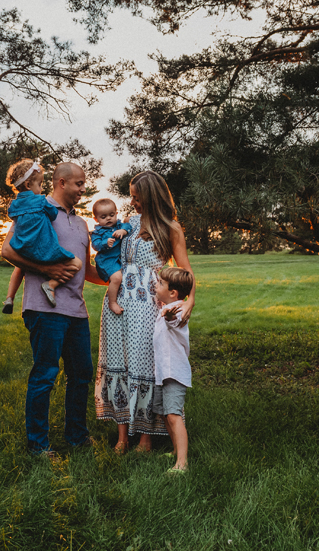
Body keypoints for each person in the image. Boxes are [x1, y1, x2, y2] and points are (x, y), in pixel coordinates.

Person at [1, 162, 107, 457]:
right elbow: (7, 250)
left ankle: (76, 436)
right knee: (45, 374)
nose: (84, 189)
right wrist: (45, 267)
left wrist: (120, 280)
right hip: (44, 309)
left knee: (81, 374)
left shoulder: (82, 224)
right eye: (79, 184)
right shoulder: (37, 208)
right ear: (61, 183)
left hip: (76, 311)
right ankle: (38, 444)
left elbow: (86, 270)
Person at [95, 170, 196, 454]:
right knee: (118, 363)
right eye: (132, 197)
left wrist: (189, 302)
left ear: (151, 197)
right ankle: (122, 435)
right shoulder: (129, 222)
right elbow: (107, 257)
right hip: (118, 301)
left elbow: (186, 270)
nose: (133, 202)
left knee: (144, 366)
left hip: (148, 302)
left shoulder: (171, 228)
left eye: (137, 198)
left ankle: (146, 437)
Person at [2, 159, 83, 312]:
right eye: (39, 184)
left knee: (19, 269)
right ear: (28, 185)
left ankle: (9, 298)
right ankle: (51, 285)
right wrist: (45, 269)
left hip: (22, 246)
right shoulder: (40, 202)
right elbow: (52, 214)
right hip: (43, 249)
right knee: (77, 263)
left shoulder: (15, 206)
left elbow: (13, 215)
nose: (41, 188)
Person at [152, 266, 195, 473]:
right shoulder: (166, 307)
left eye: (160, 283)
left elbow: (174, 321)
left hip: (174, 373)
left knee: (174, 415)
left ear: (173, 293)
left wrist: (169, 317)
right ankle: (176, 450)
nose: (156, 284)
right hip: (163, 372)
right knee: (165, 414)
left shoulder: (177, 310)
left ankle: (182, 463)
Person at [90, 198, 133, 316]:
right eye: (103, 217)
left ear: (116, 214)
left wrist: (123, 231)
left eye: (111, 215)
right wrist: (105, 243)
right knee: (117, 278)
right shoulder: (97, 232)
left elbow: (128, 225)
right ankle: (112, 302)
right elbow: (95, 245)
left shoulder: (119, 225)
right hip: (106, 260)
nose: (108, 218)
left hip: (118, 259)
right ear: (96, 219)